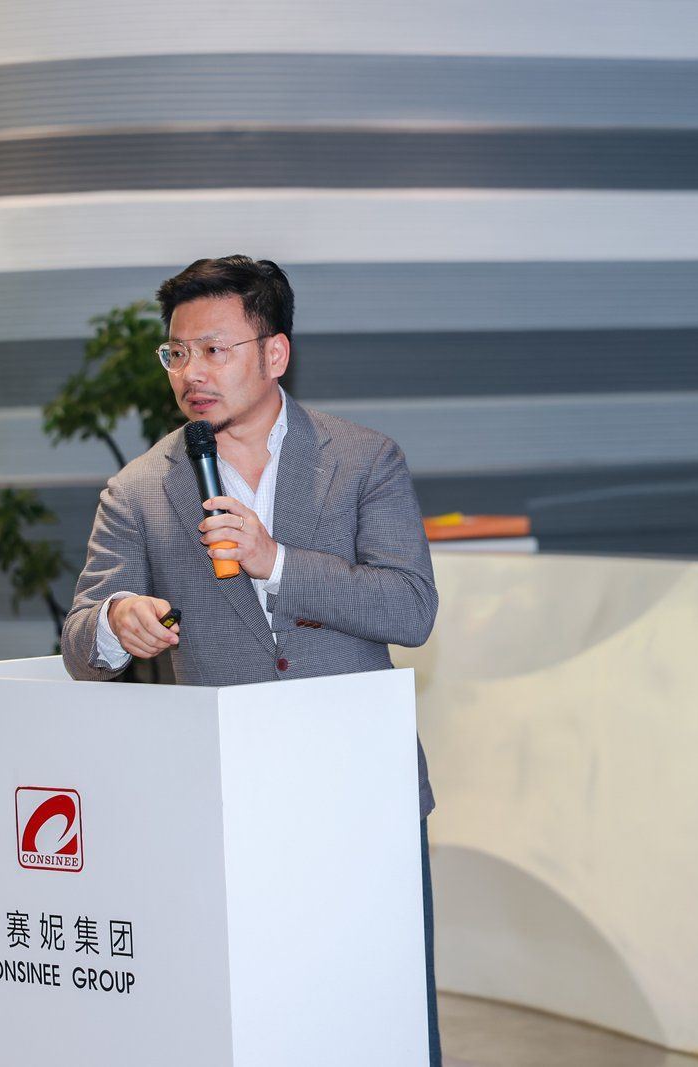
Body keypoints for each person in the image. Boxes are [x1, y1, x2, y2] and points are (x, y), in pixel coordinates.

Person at [60, 255, 442, 1064]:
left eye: (214, 349)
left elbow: (411, 607)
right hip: (227, 805)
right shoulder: (139, 489)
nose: (191, 373)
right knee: (251, 1026)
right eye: (176, 353)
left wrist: (277, 561)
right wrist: (116, 621)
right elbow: (81, 640)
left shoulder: (364, 459)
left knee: (385, 1022)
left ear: (275, 352)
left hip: (360, 794)